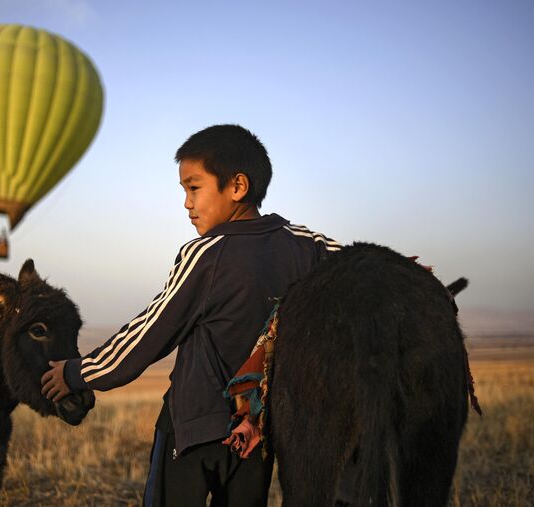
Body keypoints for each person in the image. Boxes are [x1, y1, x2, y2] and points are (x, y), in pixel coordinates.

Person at [41, 124, 341, 506]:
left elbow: (147, 334)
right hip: (255, 437)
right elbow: (360, 265)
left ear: (237, 186)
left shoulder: (206, 254)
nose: (186, 203)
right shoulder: (306, 246)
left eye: (194, 187)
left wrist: (76, 373)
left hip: (193, 432)